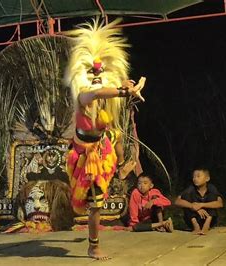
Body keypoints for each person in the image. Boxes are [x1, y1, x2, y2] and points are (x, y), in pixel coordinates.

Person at [64, 18, 146, 260]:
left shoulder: (104, 101)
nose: (97, 75)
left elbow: (106, 92)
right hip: (84, 156)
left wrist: (125, 85)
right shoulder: (84, 95)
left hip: (101, 147)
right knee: (95, 205)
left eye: (100, 72)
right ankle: (93, 246)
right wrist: (124, 90)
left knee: (115, 133)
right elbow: (98, 91)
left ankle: (120, 166)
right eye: (92, 71)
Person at [175, 168, 223, 235]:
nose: (195, 179)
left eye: (198, 176)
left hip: (209, 218)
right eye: (193, 177)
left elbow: (220, 203)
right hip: (193, 219)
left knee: (213, 200)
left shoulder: (211, 188)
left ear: (207, 178)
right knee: (185, 199)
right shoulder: (190, 189)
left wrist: (201, 205)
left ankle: (206, 227)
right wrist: (192, 206)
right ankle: (196, 227)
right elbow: (177, 201)